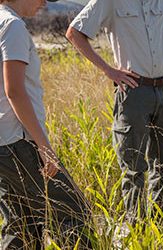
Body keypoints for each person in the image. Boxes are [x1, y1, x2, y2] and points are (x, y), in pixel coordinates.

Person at [66, 0, 163, 224]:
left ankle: (159, 226)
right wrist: (109, 70)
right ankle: (137, 230)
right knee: (133, 168)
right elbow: (74, 33)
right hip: (133, 92)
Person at [0, 0, 91, 248]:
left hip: (3, 146)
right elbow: (15, 92)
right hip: (18, 142)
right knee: (73, 213)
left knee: (23, 225)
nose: (45, 2)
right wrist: (44, 146)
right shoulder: (12, 26)